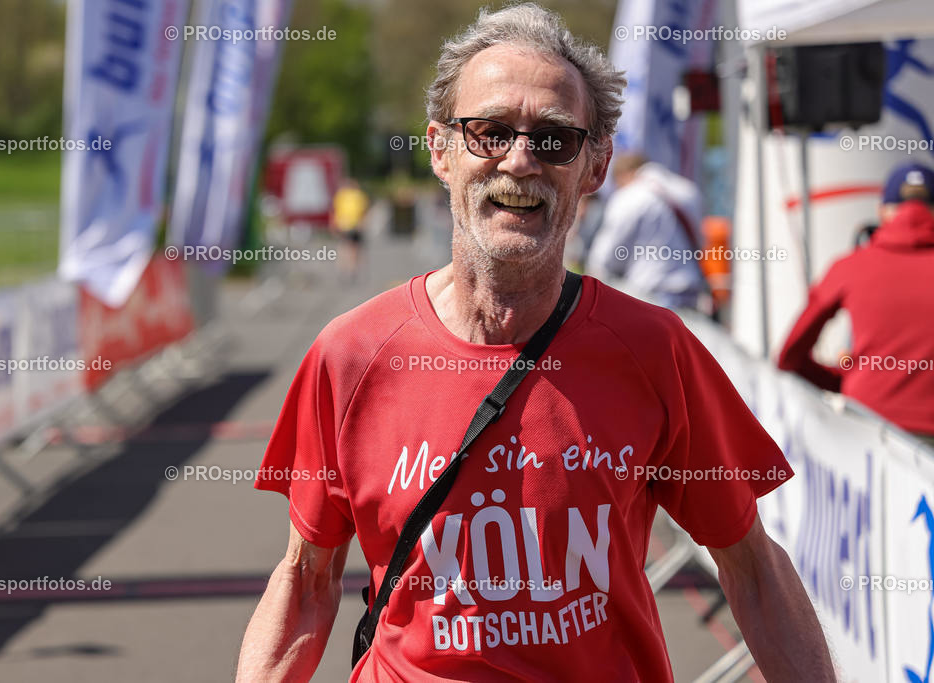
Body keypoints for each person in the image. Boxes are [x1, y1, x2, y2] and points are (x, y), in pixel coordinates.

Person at [237, 5, 833, 682]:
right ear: (439, 149)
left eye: (554, 139)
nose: (520, 159)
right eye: (489, 131)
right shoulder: (350, 355)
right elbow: (305, 581)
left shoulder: (653, 348)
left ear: (596, 165)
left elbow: (751, 567)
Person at [778, 162, 934, 445]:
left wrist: (845, 382)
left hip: (867, 428)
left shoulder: (849, 266)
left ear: (883, 211)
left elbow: (789, 355)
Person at [585, 153, 709, 310]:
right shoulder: (689, 191)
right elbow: (701, 242)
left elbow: (603, 259)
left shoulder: (628, 196)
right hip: (691, 293)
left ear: (623, 176)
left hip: (649, 294)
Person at [332, 178, 369, 280]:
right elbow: (364, 211)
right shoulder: (357, 195)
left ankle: (345, 269)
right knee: (353, 249)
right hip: (353, 225)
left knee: (345, 248)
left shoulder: (341, 195)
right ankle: (351, 269)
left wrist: (334, 223)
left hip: (344, 225)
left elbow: (335, 211)